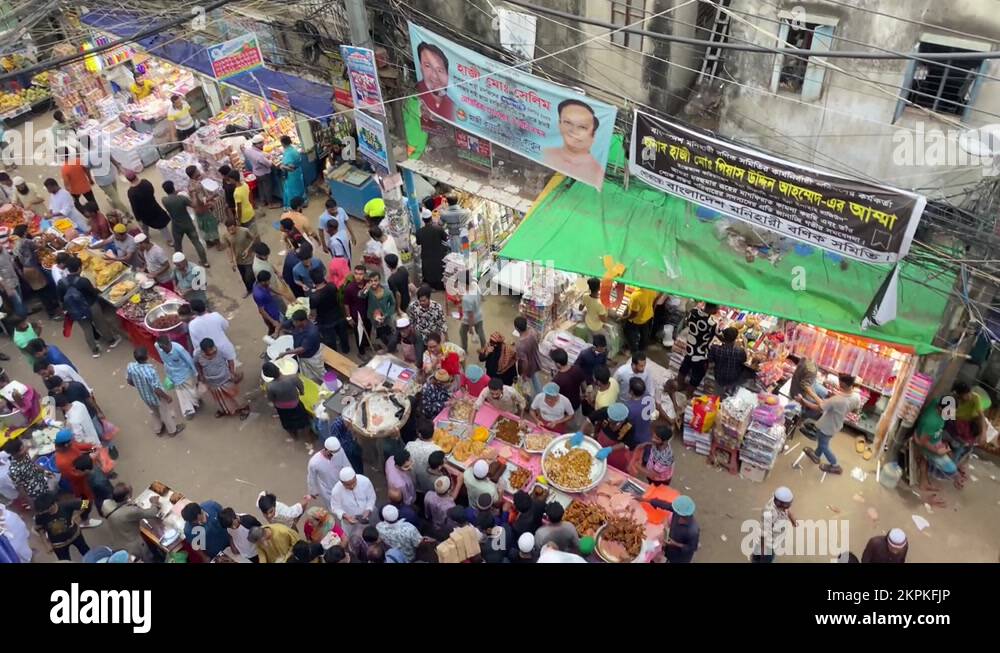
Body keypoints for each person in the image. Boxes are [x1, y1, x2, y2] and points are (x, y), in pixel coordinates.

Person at [58, 257, 123, 358]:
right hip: (91, 306)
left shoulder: (61, 283)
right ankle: (111, 340)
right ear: (79, 268)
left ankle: (95, 351)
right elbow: (93, 293)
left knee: (86, 329)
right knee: (100, 324)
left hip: (75, 310)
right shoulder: (83, 281)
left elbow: (61, 298)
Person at [798, 374, 860, 475]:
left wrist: (802, 401)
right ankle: (816, 456)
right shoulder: (856, 396)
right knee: (822, 442)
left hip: (826, 426)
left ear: (842, 383)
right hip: (836, 423)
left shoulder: (838, 400)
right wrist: (812, 394)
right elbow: (855, 409)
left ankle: (835, 466)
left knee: (824, 445)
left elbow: (819, 407)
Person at [541, 99, 605, 188]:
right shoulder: (545, 154)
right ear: (559, 124)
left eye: (582, 127)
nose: (573, 130)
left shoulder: (596, 174)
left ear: (593, 135)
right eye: (568, 122)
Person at [127, 347, 185, 437]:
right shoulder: (151, 372)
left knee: (154, 412)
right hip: (156, 397)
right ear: (146, 357)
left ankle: (158, 429)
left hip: (145, 396)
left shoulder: (131, 366)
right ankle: (172, 430)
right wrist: (167, 397)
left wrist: (140, 386)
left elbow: (129, 381)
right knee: (165, 413)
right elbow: (156, 389)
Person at [11, 225, 60, 318]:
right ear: (24, 232)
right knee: (43, 290)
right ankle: (52, 312)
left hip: (26, 269)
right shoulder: (26, 242)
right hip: (32, 269)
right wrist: (45, 239)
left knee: (40, 290)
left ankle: (52, 308)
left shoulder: (17, 243)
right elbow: (41, 247)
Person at [101, 483, 159, 561]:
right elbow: (152, 513)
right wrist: (154, 503)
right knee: (146, 558)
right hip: (133, 545)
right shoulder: (130, 511)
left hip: (118, 540)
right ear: (127, 497)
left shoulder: (106, 504)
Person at [913, 398, 961, 491]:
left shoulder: (936, 402)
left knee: (951, 455)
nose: (951, 415)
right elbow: (923, 442)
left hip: (934, 438)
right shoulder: (932, 422)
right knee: (951, 469)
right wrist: (937, 451)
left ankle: (924, 483)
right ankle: (953, 477)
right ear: (940, 408)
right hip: (929, 443)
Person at [195, 338, 249, 419]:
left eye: (213, 348)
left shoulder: (220, 351)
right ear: (203, 351)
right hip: (212, 383)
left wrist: (231, 372)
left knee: (234, 395)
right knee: (219, 399)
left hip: (226, 379)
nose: (213, 351)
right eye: (209, 350)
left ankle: (244, 408)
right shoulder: (198, 355)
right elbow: (197, 364)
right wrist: (201, 375)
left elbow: (230, 360)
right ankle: (224, 410)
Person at [678, 302, 723, 392]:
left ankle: (679, 386)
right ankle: (689, 393)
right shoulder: (712, 323)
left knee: (684, 369)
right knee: (697, 376)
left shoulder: (694, 311)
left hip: (690, 348)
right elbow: (721, 337)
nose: (718, 311)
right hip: (701, 354)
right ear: (713, 309)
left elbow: (688, 321)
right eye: (717, 309)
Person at [160, 181, 208, 265]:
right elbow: (194, 205)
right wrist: (193, 193)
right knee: (196, 242)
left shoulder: (164, 200)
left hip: (176, 226)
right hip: (188, 223)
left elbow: (171, 199)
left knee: (177, 245)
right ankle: (204, 262)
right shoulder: (182, 198)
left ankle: (179, 262)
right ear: (173, 187)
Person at [34, 492, 92, 561]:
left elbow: (87, 503)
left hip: (75, 536)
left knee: (88, 554)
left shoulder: (66, 505)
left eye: (43, 510)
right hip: (58, 544)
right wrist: (46, 544)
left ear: (52, 505)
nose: (41, 513)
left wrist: (79, 516)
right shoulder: (40, 516)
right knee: (64, 561)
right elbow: (40, 529)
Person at [263, 361, 310, 442]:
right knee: (304, 421)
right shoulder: (293, 378)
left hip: (282, 408)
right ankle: (308, 437)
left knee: (287, 424)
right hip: (295, 405)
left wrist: (275, 404)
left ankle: (295, 437)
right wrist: (301, 393)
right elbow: (301, 387)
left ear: (268, 376)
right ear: (278, 369)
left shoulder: (270, 386)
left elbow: (271, 399)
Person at [644, 494, 699, 563]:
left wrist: (675, 543)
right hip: (670, 549)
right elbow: (665, 505)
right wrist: (646, 500)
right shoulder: (678, 512)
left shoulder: (693, 530)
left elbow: (692, 548)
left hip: (680, 557)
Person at [125, 171, 173, 246]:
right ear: (136, 176)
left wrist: (137, 218)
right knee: (162, 226)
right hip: (154, 207)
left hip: (143, 213)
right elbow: (152, 191)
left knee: (144, 226)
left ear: (128, 180)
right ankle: (169, 241)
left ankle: (146, 237)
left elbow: (134, 206)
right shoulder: (145, 182)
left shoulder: (131, 192)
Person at [309, 267, 350, 354]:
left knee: (330, 340)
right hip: (338, 315)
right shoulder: (332, 286)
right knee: (343, 335)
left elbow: (314, 314)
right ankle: (346, 349)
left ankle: (335, 354)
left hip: (325, 321)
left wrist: (310, 316)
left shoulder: (314, 297)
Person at [584, 401, 635, 471]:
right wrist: (580, 432)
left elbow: (627, 443)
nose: (609, 419)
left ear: (620, 421)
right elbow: (590, 418)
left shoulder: (628, 426)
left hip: (616, 449)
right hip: (602, 439)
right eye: (609, 418)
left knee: (611, 468)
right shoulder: (606, 411)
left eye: (612, 420)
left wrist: (609, 449)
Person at [752, 486, 797, 563]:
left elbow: (787, 509)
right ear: (779, 503)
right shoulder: (768, 514)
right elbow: (763, 535)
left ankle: (755, 558)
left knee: (757, 553)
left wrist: (792, 519)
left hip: (771, 539)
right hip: (768, 544)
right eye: (787, 504)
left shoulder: (777, 500)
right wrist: (764, 554)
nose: (789, 505)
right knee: (764, 559)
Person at [330, 467, 377, 541]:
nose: (351, 486)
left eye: (353, 483)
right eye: (348, 485)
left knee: (371, 536)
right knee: (354, 540)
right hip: (350, 522)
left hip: (367, 516)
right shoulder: (336, 491)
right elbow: (335, 507)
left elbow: (372, 497)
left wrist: (368, 509)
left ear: (355, 477)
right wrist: (345, 516)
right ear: (342, 483)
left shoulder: (365, 481)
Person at [3, 437, 55, 501]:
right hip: (35, 493)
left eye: (23, 447)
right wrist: (31, 503)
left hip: (42, 482)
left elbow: (33, 465)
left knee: (52, 495)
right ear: (14, 454)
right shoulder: (14, 471)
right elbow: (21, 490)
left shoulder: (25, 455)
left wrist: (45, 472)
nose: (25, 449)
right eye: (22, 449)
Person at [307, 436, 351, 509]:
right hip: (327, 489)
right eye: (333, 452)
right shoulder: (314, 462)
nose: (336, 454)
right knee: (333, 506)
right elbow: (311, 478)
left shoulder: (340, 451)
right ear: (326, 450)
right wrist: (313, 491)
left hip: (342, 483)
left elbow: (347, 464)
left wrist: (352, 477)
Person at [415, 41, 454, 120]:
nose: (434, 76)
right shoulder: (414, 94)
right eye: (427, 66)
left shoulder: (451, 103)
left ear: (447, 75)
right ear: (421, 67)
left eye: (440, 70)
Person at [408, 285, 447, 365]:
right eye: (420, 300)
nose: (421, 303)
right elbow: (411, 321)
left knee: (435, 361)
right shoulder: (413, 306)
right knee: (420, 360)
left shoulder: (437, 307)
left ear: (429, 298)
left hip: (432, 338)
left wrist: (442, 343)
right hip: (419, 337)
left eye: (424, 300)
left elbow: (442, 325)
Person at [186, 165, 222, 250]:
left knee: (203, 227)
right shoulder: (197, 186)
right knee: (212, 226)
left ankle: (209, 243)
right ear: (194, 173)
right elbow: (203, 200)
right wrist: (214, 195)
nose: (199, 171)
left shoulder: (190, 184)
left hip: (197, 211)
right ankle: (219, 245)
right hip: (204, 210)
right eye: (197, 170)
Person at [286, 309, 325, 383]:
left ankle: (330, 386)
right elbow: (283, 324)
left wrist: (286, 353)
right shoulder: (297, 323)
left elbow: (302, 349)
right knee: (308, 375)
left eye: (295, 322)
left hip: (312, 357)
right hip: (302, 356)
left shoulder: (312, 332)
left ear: (303, 321)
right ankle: (315, 385)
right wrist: (277, 331)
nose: (293, 323)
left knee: (320, 372)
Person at [221, 220, 258, 296]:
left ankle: (257, 289)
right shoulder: (226, 236)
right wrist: (231, 261)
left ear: (236, 226)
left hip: (249, 258)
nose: (231, 231)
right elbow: (228, 248)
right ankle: (249, 290)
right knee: (244, 277)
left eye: (233, 229)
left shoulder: (245, 231)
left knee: (249, 276)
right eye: (229, 230)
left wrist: (248, 249)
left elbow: (254, 239)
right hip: (238, 260)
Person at [415, 211, 449, 290]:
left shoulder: (419, 232)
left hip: (426, 255)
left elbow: (418, 242)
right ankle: (440, 286)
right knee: (439, 270)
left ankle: (431, 286)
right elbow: (445, 238)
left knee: (429, 271)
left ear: (423, 220)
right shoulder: (438, 228)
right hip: (438, 254)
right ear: (431, 218)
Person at [708, 327, 747, 395]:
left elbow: (710, 361)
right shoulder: (739, 351)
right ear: (735, 339)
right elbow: (745, 359)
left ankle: (718, 399)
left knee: (717, 394)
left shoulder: (715, 348)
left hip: (719, 376)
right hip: (733, 377)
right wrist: (745, 344)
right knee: (730, 394)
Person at [343, 264, 372, 357]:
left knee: (369, 329)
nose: (358, 276)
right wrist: (349, 317)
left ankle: (367, 344)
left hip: (368, 313)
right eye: (356, 274)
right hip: (357, 316)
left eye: (361, 274)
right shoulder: (349, 288)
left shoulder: (368, 284)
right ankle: (361, 352)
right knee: (359, 334)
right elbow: (346, 304)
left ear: (365, 274)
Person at [245, 134, 280, 209]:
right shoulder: (259, 156)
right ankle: (270, 203)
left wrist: (266, 154)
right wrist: (271, 158)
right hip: (264, 173)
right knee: (268, 188)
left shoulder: (248, 150)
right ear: (258, 144)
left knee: (261, 187)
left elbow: (259, 153)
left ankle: (263, 201)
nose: (263, 145)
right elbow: (269, 164)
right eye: (262, 143)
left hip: (256, 172)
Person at [551, 347, 586, 420]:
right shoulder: (577, 369)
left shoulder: (557, 379)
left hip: (565, 410)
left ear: (558, 364)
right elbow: (583, 384)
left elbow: (554, 397)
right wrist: (583, 394)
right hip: (577, 404)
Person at [60, 148, 98, 214]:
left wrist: (68, 194)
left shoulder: (64, 169)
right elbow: (87, 171)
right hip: (86, 186)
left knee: (76, 203)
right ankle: (96, 212)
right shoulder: (79, 161)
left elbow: (67, 185)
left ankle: (86, 214)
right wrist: (90, 179)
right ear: (68, 152)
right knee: (92, 200)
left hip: (74, 190)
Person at [515, 316, 544, 396]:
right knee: (535, 378)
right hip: (535, 359)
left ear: (516, 328)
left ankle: (529, 400)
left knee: (527, 385)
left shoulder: (520, 345)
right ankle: (540, 394)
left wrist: (524, 374)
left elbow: (525, 362)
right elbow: (537, 340)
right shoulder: (533, 332)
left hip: (528, 367)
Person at [623, 287, 657, 353]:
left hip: (637, 320)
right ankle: (642, 349)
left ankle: (634, 351)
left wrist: (623, 318)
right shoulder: (652, 289)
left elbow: (633, 314)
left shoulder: (636, 295)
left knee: (629, 333)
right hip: (648, 316)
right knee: (644, 335)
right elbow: (654, 301)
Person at [253, 271, 286, 335]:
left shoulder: (258, 283)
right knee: (275, 328)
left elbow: (268, 287)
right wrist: (273, 321)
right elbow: (261, 310)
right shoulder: (259, 295)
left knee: (275, 327)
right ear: (263, 282)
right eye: (268, 281)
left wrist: (280, 293)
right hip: (270, 314)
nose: (269, 282)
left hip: (273, 308)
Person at [279, 135, 306, 208]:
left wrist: (282, 166)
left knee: (292, 191)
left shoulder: (289, 153)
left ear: (283, 143)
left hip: (292, 175)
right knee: (300, 188)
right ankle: (302, 202)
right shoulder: (293, 149)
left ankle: (293, 206)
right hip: (298, 173)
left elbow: (291, 168)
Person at [228, 169, 258, 237]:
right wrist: (252, 206)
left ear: (233, 179)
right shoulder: (245, 184)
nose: (229, 181)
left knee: (248, 235)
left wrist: (238, 220)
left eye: (230, 179)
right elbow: (250, 196)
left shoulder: (236, 192)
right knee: (254, 231)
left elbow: (239, 208)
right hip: (250, 211)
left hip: (244, 216)